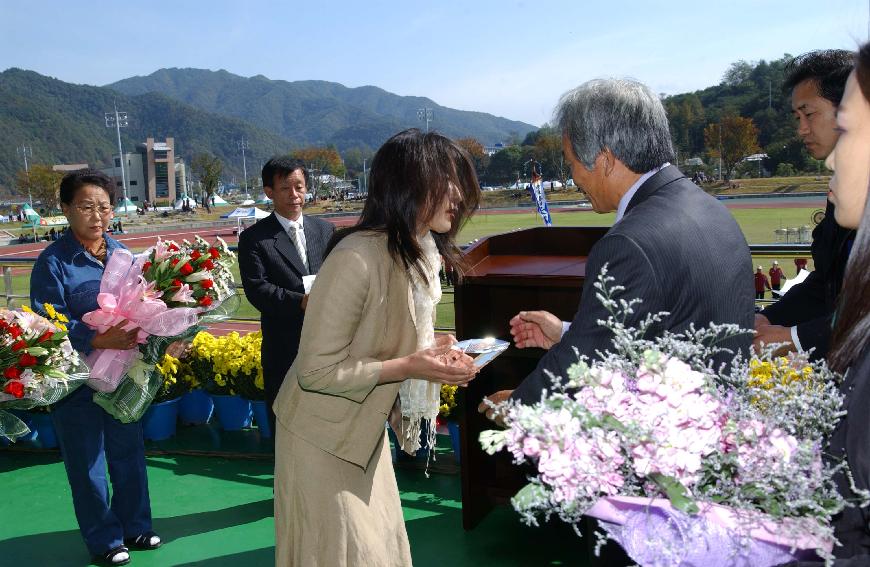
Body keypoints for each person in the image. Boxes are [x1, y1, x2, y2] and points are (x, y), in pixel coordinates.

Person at [479, 78, 754, 410]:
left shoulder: (628, 242)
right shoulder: (713, 210)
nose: (573, 176)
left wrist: (518, 406)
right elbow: (665, 329)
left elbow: (584, 366)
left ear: (604, 159)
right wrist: (567, 332)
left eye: (571, 162)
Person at [272, 129, 480, 566]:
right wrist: (411, 364)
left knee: (378, 550)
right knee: (343, 553)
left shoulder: (417, 251)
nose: (458, 195)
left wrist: (434, 350)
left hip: (363, 433)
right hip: (320, 438)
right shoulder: (356, 257)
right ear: (409, 184)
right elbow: (315, 372)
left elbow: (390, 338)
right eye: (447, 181)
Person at [30, 169, 161, 567]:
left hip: (122, 372)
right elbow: (44, 325)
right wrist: (96, 340)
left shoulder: (124, 254)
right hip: (78, 381)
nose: (97, 216)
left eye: (104, 206)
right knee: (87, 463)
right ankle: (104, 539)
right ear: (66, 209)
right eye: (86, 207)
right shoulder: (53, 263)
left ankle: (135, 526)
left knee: (129, 454)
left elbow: (149, 306)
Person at [755, 50, 857, 360]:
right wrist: (770, 318)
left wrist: (794, 338)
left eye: (808, 114)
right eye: (797, 117)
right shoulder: (843, 184)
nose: (801, 129)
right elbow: (827, 282)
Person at [238, 157, 335, 436]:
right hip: (284, 345)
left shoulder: (325, 230)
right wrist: (300, 302)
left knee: (328, 423)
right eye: (285, 188)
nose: (294, 195)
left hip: (329, 342)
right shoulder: (255, 239)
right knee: (287, 423)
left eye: (299, 187)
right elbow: (258, 289)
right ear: (269, 192)